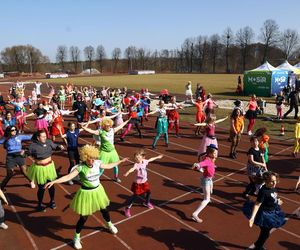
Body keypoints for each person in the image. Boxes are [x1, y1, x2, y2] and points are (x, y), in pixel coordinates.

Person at [45, 145, 128, 250]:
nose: (92, 160)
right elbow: (68, 177)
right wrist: (54, 181)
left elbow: (108, 166)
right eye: (90, 158)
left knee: (104, 210)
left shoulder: (97, 163)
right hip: (86, 193)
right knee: (83, 217)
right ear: (85, 157)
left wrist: (120, 161)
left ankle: (109, 225)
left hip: (98, 191)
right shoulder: (80, 167)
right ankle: (76, 237)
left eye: (93, 158)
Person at [243, 171, 285, 250]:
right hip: (265, 215)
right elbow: (257, 204)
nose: (274, 183)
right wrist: (252, 218)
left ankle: (258, 244)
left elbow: (273, 198)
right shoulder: (263, 192)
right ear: (266, 181)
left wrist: (277, 201)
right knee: (265, 233)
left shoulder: (273, 188)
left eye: (275, 180)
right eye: (272, 181)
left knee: (266, 233)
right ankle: (258, 246)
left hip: (273, 211)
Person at [81, 118, 130, 183]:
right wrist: (84, 128)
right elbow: (92, 131)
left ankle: (116, 177)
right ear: (103, 126)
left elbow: (121, 126)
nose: (108, 127)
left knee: (115, 166)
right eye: (106, 126)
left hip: (112, 151)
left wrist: (127, 120)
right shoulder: (100, 131)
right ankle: (95, 178)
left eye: (109, 125)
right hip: (104, 152)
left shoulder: (112, 130)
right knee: (101, 168)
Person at [27, 129, 64, 212]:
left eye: (45, 136)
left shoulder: (49, 142)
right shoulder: (32, 146)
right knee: (42, 188)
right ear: (38, 138)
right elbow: (27, 153)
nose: (45, 137)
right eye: (43, 136)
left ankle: (52, 201)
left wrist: (59, 147)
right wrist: (23, 153)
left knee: (51, 185)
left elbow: (55, 147)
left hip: (50, 167)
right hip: (40, 168)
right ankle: (39, 204)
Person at [123, 150, 163, 217]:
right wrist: (127, 172)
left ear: (142, 157)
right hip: (138, 184)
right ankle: (127, 208)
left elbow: (150, 159)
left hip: (144, 182)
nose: (137, 159)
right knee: (135, 197)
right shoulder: (136, 164)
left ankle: (146, 202)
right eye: (136, 158)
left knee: (148, 192)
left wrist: (157, 157)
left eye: (138, 157)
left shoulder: (144, 161)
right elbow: (132, 169)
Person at [191, 144, 218, 223]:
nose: (216, 154)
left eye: (216, 153)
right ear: (210, 154)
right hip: (206, 180)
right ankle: (195, 214)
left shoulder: (210, 158)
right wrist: (197, 165)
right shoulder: (207, 160)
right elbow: (201, 164)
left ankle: (207, 196)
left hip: (208, 180)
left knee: (210, 192)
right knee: (206, 199)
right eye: (215, 153)